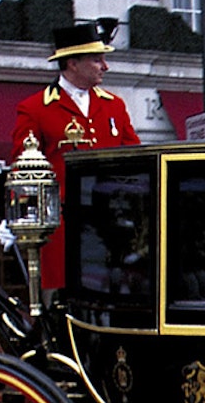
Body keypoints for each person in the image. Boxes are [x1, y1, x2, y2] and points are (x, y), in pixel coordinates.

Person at [9, 19, 140, 293]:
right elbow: (22, 171)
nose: (105, 66)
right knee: (62, 302)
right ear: (72, 63)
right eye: (97, 60)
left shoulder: (114, 106)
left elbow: (135, 159)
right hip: (62, 231)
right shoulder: (35, 108)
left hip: (111, 226)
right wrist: (21, 218)